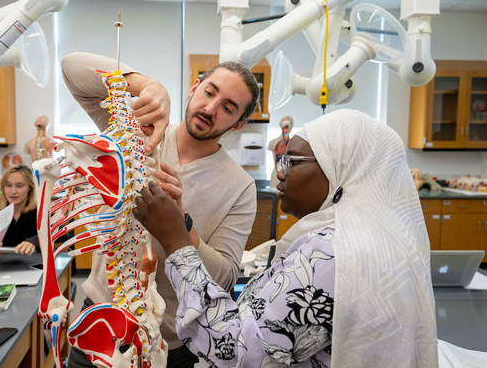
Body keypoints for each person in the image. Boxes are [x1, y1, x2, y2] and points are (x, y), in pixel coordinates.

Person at [133, 109, 439, 367]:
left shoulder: (332, 255)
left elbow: (234, 351)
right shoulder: (374, 241)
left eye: (292, 161)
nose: (280, 174)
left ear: (339, 171)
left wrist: (176, 241)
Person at [61, 52, 259, 368]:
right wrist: (146, 84)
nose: (210, 109)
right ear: (194, 88)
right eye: (210, 92)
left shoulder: (241, 187)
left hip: (168, 344)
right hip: (98, 324)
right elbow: (71, 67)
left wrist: (180, 226)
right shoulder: (137, 130)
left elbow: (224, 276)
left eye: (228, 107)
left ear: (238, 124)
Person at [268, 115, 293, 188]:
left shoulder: (294, 144)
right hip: (276, 175)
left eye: (288, 123)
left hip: (290, 176)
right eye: (284, 123)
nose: (286, 125)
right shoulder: (273, 143)